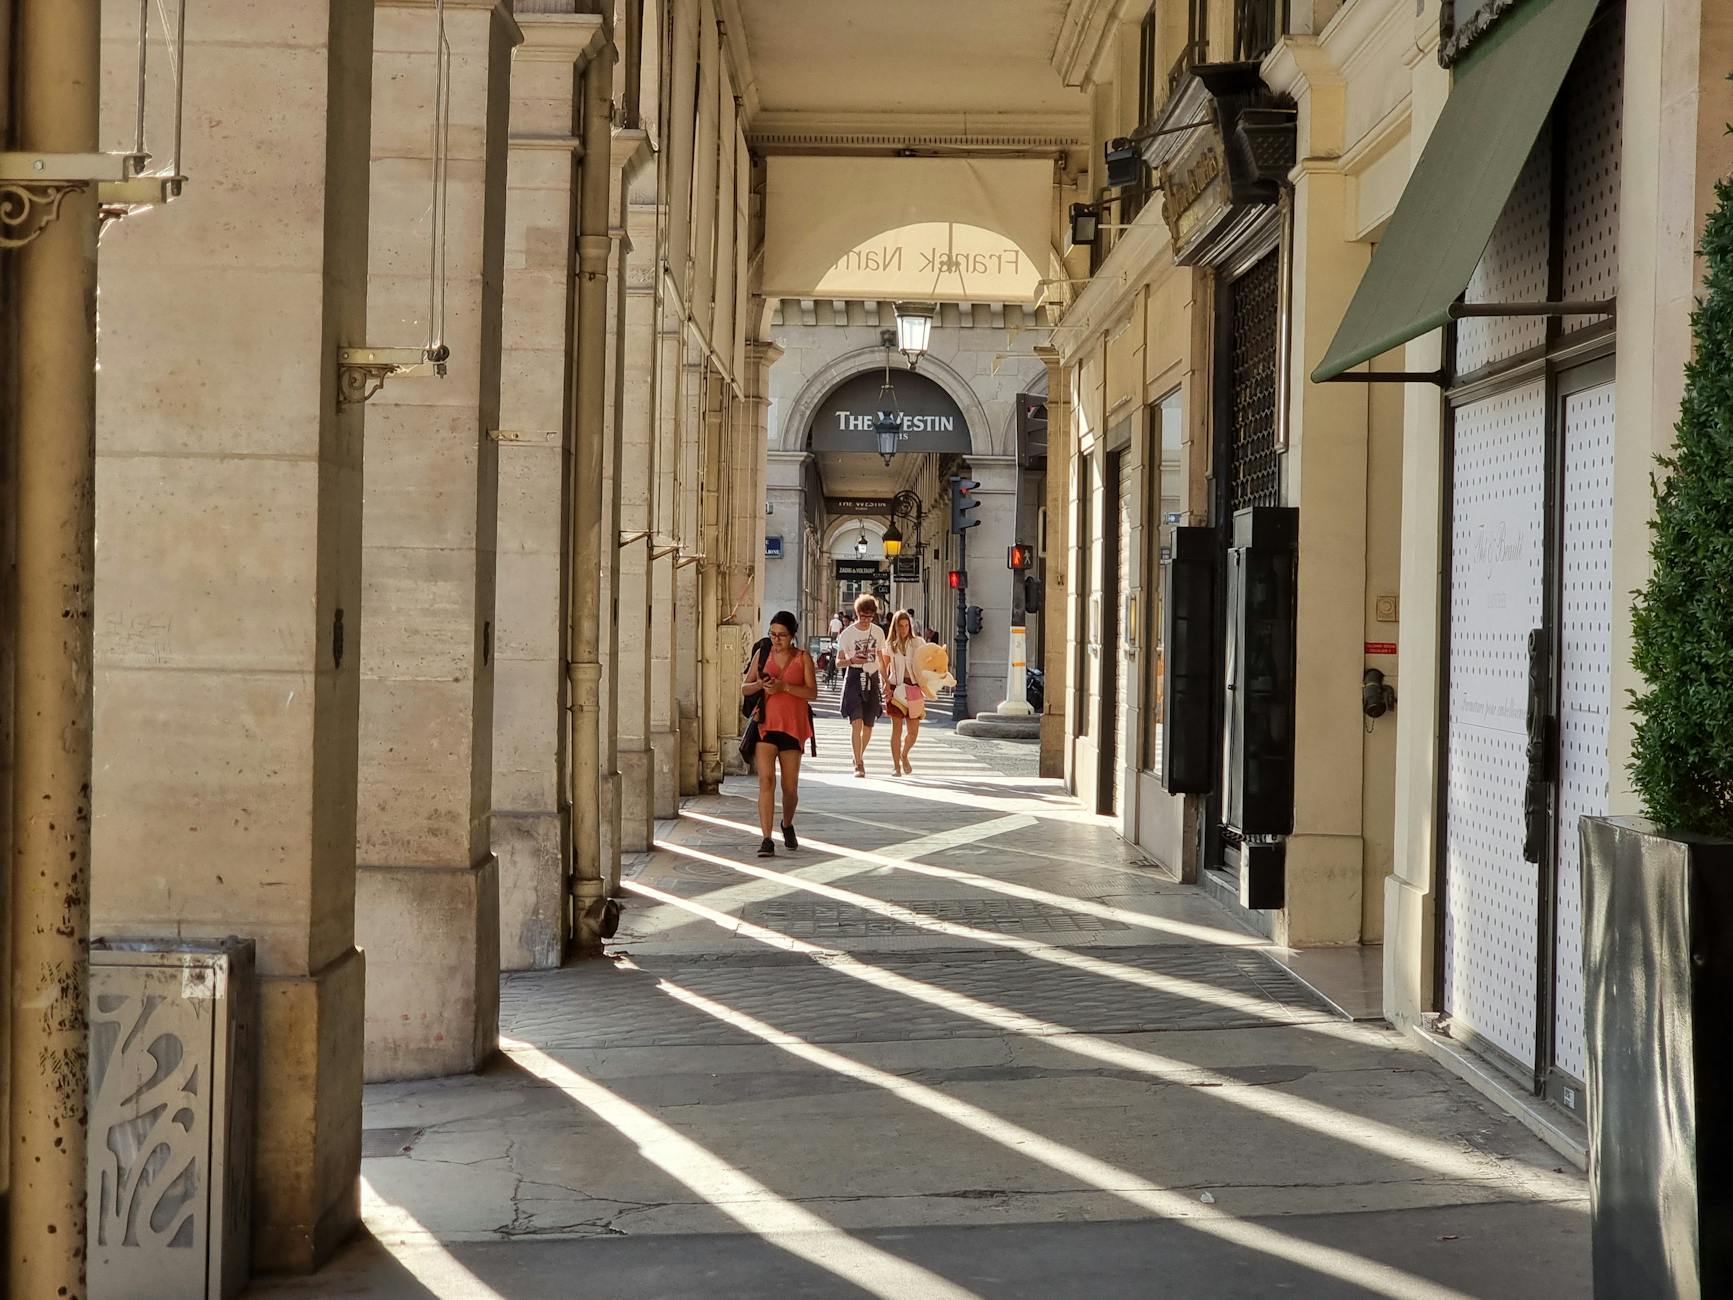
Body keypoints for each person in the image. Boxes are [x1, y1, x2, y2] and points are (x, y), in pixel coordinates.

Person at [741, 611, 816, 857]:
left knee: (789, 787)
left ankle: (787, 823)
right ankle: (766, 838)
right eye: (772, 634)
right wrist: (761, 685)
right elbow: (745, 687)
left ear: (792, 635)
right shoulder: (762, 655)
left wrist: (785, 687)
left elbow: (811, 693)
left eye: (782, 635)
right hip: (765, 725)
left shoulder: (803, 658)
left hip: (793, 727)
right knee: (766, 781)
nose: (776, 640)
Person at [836, 593, 889, 778]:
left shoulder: (878, 632)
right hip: (854, 677)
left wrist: (886, 682)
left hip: (872, 677)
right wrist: (851, 660)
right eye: (862, 616)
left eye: (869, 616)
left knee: (868, 726)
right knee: (856, 724)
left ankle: (858, 755)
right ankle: (858, 764)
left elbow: (881, 659)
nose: (866, 620)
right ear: (857, 613)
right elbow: (838, 662)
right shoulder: (847, 633)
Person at [882, 609, 928, 776]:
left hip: (914, 688)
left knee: (913, 732)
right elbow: (884, 667)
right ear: (895, 627)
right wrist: (885, 685)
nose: (903, 629)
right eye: (900, 626)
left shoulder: (918, 643)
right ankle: (896, 766)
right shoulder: (889, 645)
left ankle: (904, 754)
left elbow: (927, 662)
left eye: (906, 625)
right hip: (896, 687)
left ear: (910, 625)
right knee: (896, 730)